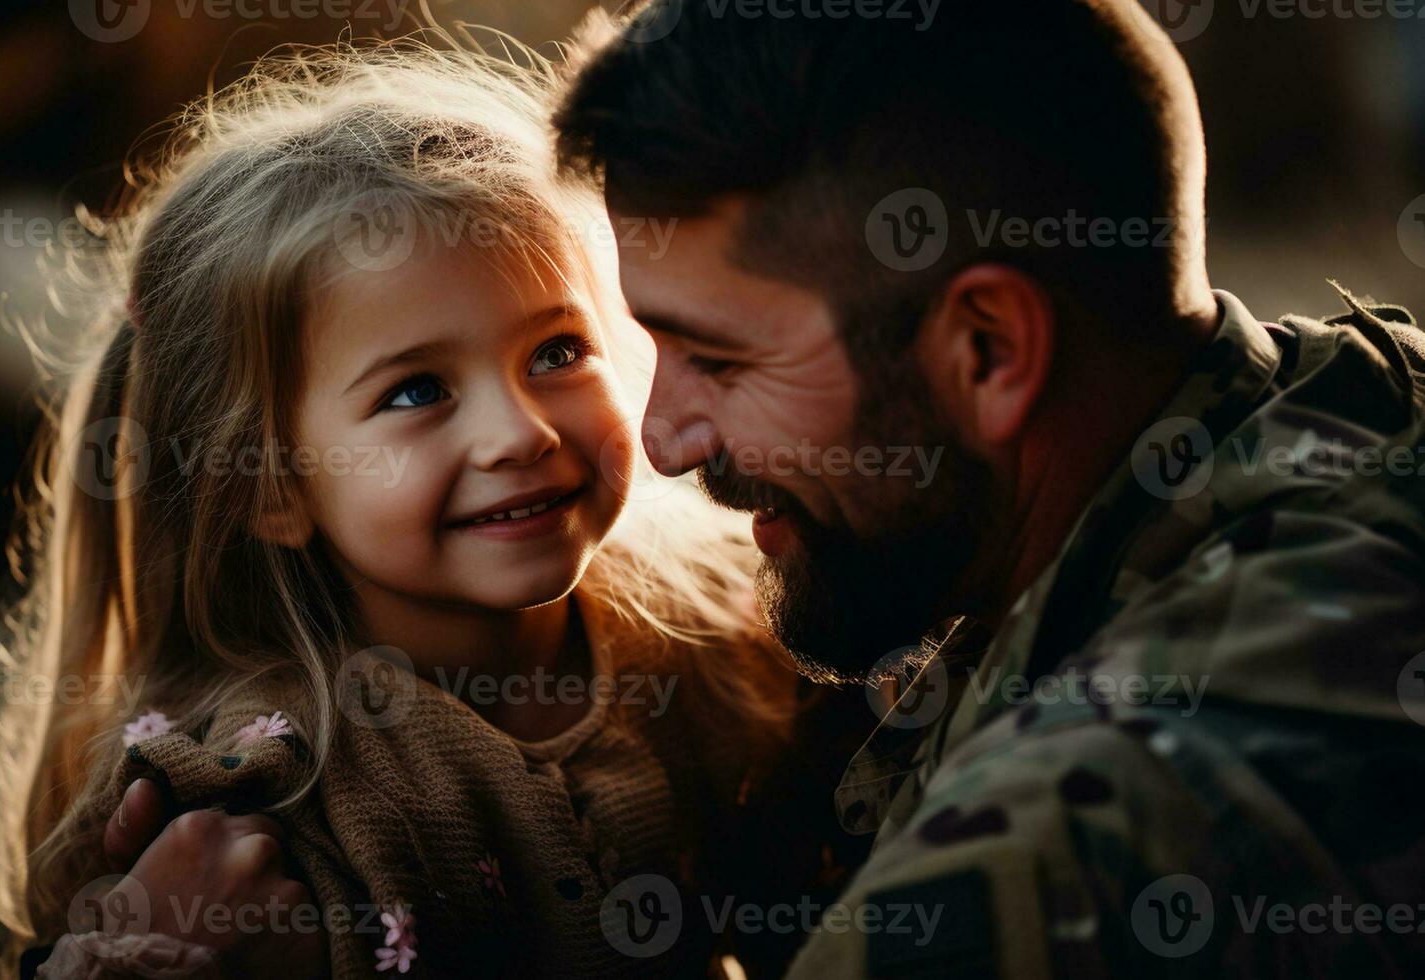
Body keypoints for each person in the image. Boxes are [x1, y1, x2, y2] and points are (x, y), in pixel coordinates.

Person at [553, 0, 1425, 976]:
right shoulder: (1369, 400)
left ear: (989, 348)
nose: (663, 439)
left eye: (719, 359)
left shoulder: (1020, 883)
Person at [0, 37, 865, 980]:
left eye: (557, 352)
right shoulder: (258, 801)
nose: (517, 434)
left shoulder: (736, 635)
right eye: (415, 392)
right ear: (267, 486)